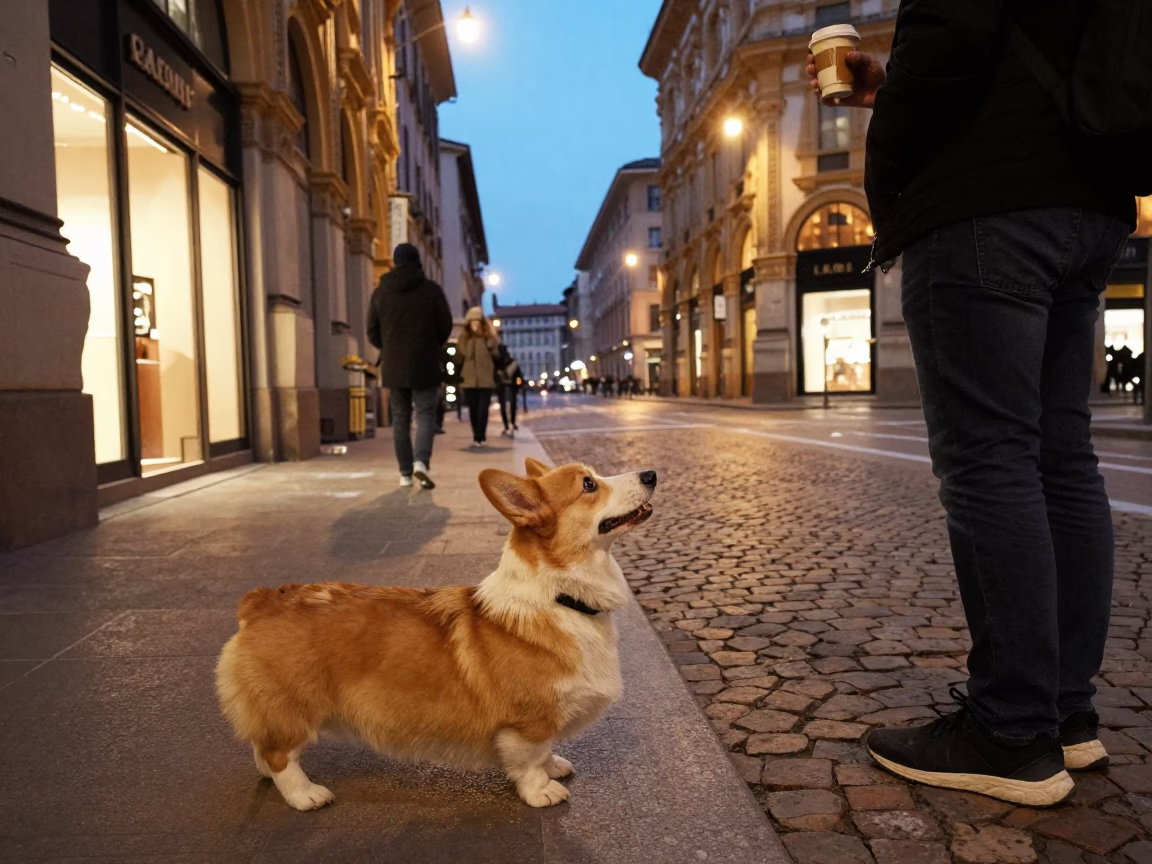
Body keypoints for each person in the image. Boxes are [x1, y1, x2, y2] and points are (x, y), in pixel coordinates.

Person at [807, 0, 1137, 806]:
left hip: (986, 200)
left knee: (991, 462)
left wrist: (891, 155)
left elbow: (954, 28)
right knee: (1062, 457)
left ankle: (1009, 732)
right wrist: (893, 77)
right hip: (1089, 191)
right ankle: (1065, 715)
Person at [368, 243, 452, 489]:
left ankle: (405, 473)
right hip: (424, 361)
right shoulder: (432, 291)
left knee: (400, 419)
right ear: (418, 262)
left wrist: (389, 346)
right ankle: (421, 463)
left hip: (394, 364)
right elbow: (445, 326)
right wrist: (431, 344)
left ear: (395, 263)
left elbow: (371, 331)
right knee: (426, 414)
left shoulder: (381, 293)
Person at [458, 306, 498, 448]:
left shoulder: (488, 338)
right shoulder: (465, 338)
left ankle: (482, 436)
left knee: (483, 409)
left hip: (485, 379)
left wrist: (491, 335)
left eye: (477, 322)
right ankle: (476, 436)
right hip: (469, 380)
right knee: (473, 409)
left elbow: (496, 354)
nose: (475, 325)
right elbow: (460, 354)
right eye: (472, 322)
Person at [495, 344, 522, 437]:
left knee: (505, 407)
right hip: (510, 386)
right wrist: (519, 385)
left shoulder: (497, 363)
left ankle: (507, 425)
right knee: (511, 406)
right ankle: (511, 423)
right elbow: (519, 376)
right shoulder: (511, 362)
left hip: (504, 386)